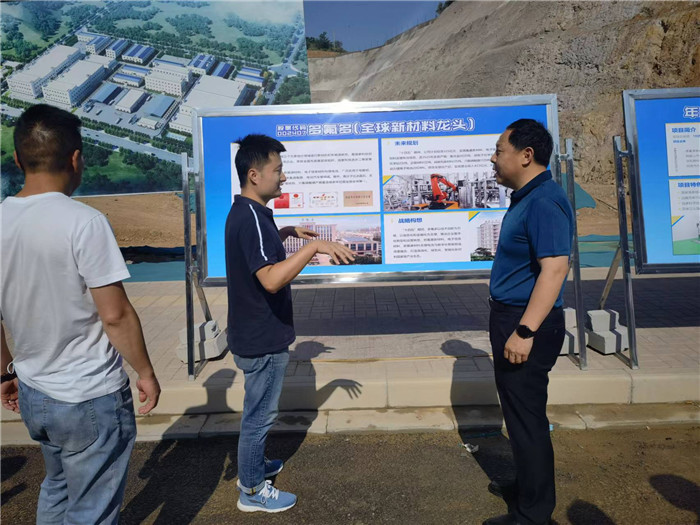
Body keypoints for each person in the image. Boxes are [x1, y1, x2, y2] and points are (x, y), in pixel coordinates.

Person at [0, 104, 161, 524]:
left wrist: (4, 372)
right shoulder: (85, 222)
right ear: (75, 159)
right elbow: (115, 315)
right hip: (89, 394)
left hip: (34, 390)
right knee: (91, 510)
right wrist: (145, 371)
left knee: (57, 487)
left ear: (18, 159)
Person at [225, 134, 354, 513]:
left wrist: (285, 234)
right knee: (259, 417)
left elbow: (256, 257)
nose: (283, 177)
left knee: (259, 412)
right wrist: (314, 247)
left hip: (255, 332)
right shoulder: (251, 218)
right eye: (277, 170)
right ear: (254, 175)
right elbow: (270, 279)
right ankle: (251, 490)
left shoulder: (248, 213)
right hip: (262, 338)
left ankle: (253, 466)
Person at [483, 119, 574, 525]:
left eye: (499, 150)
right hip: (513, 318)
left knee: (528, 419)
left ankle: (534, 515)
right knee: (518, 415)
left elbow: (554, 269)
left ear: (526, 155)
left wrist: (524, 332)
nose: (493, 158)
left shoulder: (544, 201)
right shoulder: (527, 197)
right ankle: (526, 487)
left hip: (527, 324)